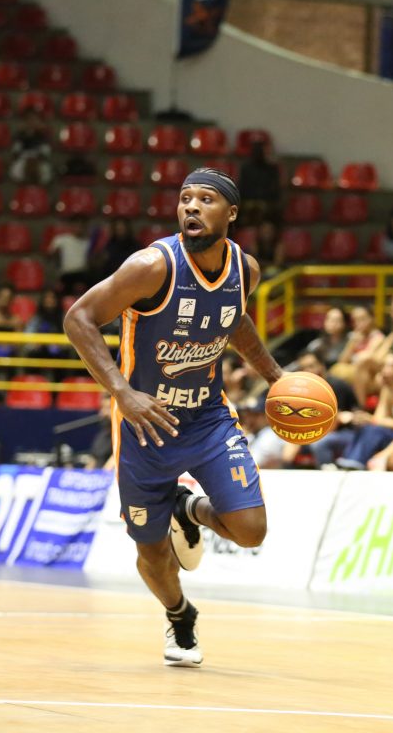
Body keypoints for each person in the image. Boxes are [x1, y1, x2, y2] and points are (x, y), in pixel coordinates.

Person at [64, 168, 284, 668]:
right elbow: (79, 318)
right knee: (151, 552)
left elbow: (233, 319)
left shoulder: (245, 270)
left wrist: (275, 374)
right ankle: (180, 614)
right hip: (146, 425)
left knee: (250, 530)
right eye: (185, 198)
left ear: (231, 213)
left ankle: (188, 510)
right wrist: (122, 393)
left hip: (207, 418)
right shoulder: (151, 266)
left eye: (205, 199)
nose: (191, 207)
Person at [334, 354, 393, 470]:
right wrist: (367, 419)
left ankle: (356, 462)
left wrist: (372, 419)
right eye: (384, 365)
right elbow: (378, 417)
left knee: (374, 430)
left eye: (391, 366)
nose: (385, 369)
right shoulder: (387, 389)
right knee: (365, 427)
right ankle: (348, 460)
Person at [236, 140, 281, 225]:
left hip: (267, 203)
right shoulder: (246, 168)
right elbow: (242, 189)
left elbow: (275, 191)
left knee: (275, 213)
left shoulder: (272, 169)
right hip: (248, 202)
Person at [8, 110, 54, 185]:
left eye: (34, 120)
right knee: (16, 171)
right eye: (29, 120)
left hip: (38, 159)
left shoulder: (43, 136)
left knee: (45, 172)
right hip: (23, 158)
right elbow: (15, 151)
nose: (31, 122)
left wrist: (35, 161)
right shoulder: (20, 135)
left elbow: (45, 152)